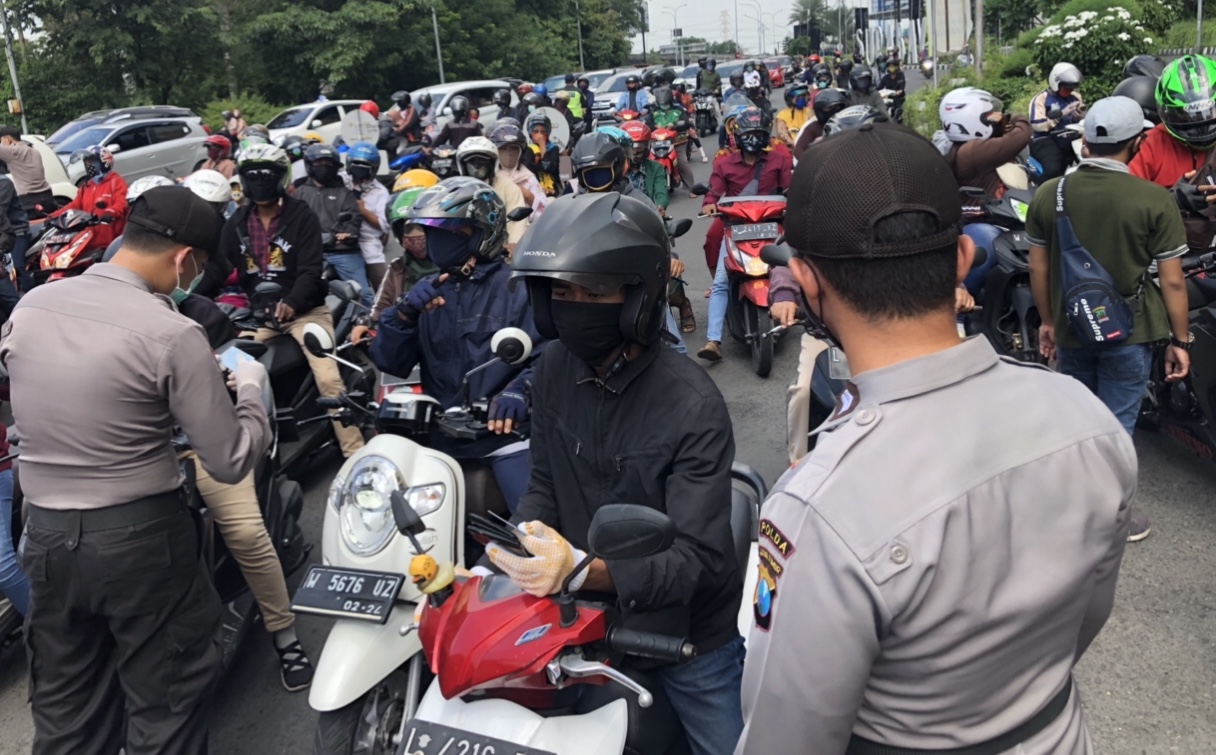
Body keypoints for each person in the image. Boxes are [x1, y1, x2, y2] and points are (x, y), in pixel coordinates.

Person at [736, 122, 1135, 755]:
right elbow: (1084, 619)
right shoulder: (1085, 418)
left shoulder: (817, 508)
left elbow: (787, 737)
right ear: (961, 260)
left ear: (808, 283)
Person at [2, 185, 273, 754]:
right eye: (199, 266)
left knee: (68, 712)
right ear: (183, 259)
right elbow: (227, 459)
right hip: (141, 544)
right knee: (165, 709)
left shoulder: (31, 307)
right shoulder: (173, 333)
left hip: (46, 539)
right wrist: (250, 392)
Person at [503, 192, 744, 755]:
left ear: (638, 295)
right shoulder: (555, 369)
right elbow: (543, 482)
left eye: (594, 291)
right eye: (562, 292)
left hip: (687, 638)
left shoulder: (692, 404)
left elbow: (698, 561)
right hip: (580, 620)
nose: (574, 305)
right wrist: (517, 547)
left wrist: (586, 571)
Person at [1028, 96, 1188, 544]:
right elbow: (1173, 283)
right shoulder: (1154, 200)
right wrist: (1181, 340)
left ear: (1086, 142)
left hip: (1072, 328)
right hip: (1130, 331)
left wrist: (1048, 322)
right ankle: (1109, 517)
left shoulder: (1050, 193)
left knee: (1079, 418)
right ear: (1137, 142)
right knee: (1116, 424)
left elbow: (1039, 269)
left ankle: (1071, 506)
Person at [368, 177, 544, 512]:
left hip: (506, 439)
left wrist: (521, 389)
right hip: (438, 444)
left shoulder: (517, 289)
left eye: (447, 232)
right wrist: (403, 314)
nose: (435, 241)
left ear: (482, 232)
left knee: (536, 534)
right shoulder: (427, 292)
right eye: (431, 233)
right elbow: (390, 363)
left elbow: (549, 353)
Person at [219, 144, 366, 459]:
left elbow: (312, 270)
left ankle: (355, 451)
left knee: (328, 377)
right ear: (243, 179)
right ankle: (253, 447)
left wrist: (292, 302)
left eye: (266, 174)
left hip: (306, 313)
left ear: (280, 177)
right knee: (227, 366)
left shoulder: (302, 216)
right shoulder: (236, 224)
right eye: (252, 175)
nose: (259, 181)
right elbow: (218, 266)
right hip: (261, 317)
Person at [698, 107, 793, 361]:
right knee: (720, 281)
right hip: (736, 226)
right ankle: (713, 340)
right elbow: (714, 191)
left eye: (760, 133)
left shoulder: (778, 160)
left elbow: (790, 189)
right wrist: (709, 203)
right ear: (738, 135)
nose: (755, 138)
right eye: (750, 133)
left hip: (772, 224)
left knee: (795, 265)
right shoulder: (723, 163)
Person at [351, 181, 440, 346]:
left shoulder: (455, 265)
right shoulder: (398, 267)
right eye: (408, 230)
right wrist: (366, 324)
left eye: (421, 228)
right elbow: (380, 307)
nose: (416, 236)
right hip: (410, 345)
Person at [293, 143, 371, 308]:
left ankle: (372, 324)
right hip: (311, 253)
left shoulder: (345, 193)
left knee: (364, 293)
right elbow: (292, 221)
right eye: (319, 163)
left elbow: (354, 219)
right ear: (309, 165)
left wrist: (348, 234)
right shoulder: (299, 192)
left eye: (329, 164)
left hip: (342, 252)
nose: (324, 167)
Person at [1130, 54, 1216, 187]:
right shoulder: (1151, 145)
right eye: (1186, 115)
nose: (1201, 124)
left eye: (1210, 112)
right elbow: (1130, 197)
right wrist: (1172, 199)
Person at [939, 87, 1033, 198]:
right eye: (988, 116)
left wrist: (999, 128)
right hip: (989, 213)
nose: (995, 118)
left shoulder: (958, 147)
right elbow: (1020, 136)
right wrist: (1017, 118)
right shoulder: (973, 151)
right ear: (972, 120)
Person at [454, 136, 530, 253]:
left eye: (482, 160)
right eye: (471, 161)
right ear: (462, 165)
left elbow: (517, 223)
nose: (476, 166)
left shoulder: (507, 186)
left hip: (499, 251)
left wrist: (513, 244)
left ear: (492, 163)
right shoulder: (456, 188)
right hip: (465, 252)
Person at [51, 146, 128, 252]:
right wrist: (55, 216)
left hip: (111, 242)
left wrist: (110, 213)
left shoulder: (115, 182)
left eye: (91, 162)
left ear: (103, 163)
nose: (88, 165)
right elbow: (74, 206)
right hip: (89, 240)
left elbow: (122, 203)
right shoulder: (86, 186)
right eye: (86, 162)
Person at [345, 141, 391, 294]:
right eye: (356, 166)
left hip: (368, 243)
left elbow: (384, 225)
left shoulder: (380, 192)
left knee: (385, 290)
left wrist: (363, 211)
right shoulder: (342, 181)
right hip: (340, 242)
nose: (359, 174)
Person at [1029, 62, 1086, 180]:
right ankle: (1044, 193)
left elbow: (1080, 118)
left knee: (1090, 160)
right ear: (1056, 84)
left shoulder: (1075, 96)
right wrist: (1060, 115)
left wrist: (1079, 116)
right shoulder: (1041, 98)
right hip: (1046, 138)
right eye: (1066, 88)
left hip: (1069, 136)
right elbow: (1037, 125)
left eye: (1072, 88)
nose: (1070, 91)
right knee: (1053, 169)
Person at [647, 86, 696, 197]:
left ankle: (691, 189)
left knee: (682, 163)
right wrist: (654, 126)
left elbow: (686, 122)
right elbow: (647, 124)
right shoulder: (654, 112)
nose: (663, 106)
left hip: (677, 142)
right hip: (657, 143)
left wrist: (674, 126)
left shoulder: (678, 110)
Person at [491, 123, 548, 215]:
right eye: (504, 149)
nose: (509, 154)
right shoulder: (490, 176)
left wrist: (529, 196)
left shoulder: (528, 177)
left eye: (513, 149)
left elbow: (545, 213)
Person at [0, 125, 54, 215]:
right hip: (48, 196)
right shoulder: (34, 151)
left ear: (8, 139)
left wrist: (3, 143)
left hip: (28, 200)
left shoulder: (11, 152)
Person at [0, 161, 30, 303]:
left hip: (16, 232)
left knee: (17, 267)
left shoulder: (3, 183)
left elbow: (1, 210)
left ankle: (34, 301)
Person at [526, 112, 563, 198]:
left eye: (543, 131)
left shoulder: (553, 148)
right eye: (535, 131)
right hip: (534, 189)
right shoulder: (528, 149)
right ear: (530, 133)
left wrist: (542, 145)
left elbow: (547, 167)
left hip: (553, 189)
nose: (539, 135)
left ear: (548, 133)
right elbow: (528, 168)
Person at [877, 56, 906, 121]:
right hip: (888, 97)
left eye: (893, 66)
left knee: (898, 106)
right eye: (890, 66)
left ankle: (898, 115)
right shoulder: (886, 78)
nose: (891, 68)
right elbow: (879, 88)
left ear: (896, 67)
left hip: (898, 97)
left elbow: (902, 88)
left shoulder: (900, 76)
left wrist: (898, 92)